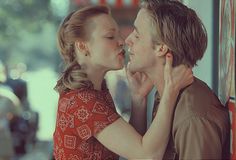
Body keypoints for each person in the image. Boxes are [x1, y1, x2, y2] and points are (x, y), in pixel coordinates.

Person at [53, 5, 193, 160]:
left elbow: (132, 149)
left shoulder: (96, 91)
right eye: (110, 36)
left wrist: (138, 99)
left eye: (119, 34)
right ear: (82, 46)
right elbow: (148, 155)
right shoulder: (82, 102)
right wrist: (170, 92)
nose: (122, 41)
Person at [125, 0, 230, 159]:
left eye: (137, 35)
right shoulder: (166, 96)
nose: (127, 40)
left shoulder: (193, 117)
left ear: (161, 48)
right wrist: (138, 99)